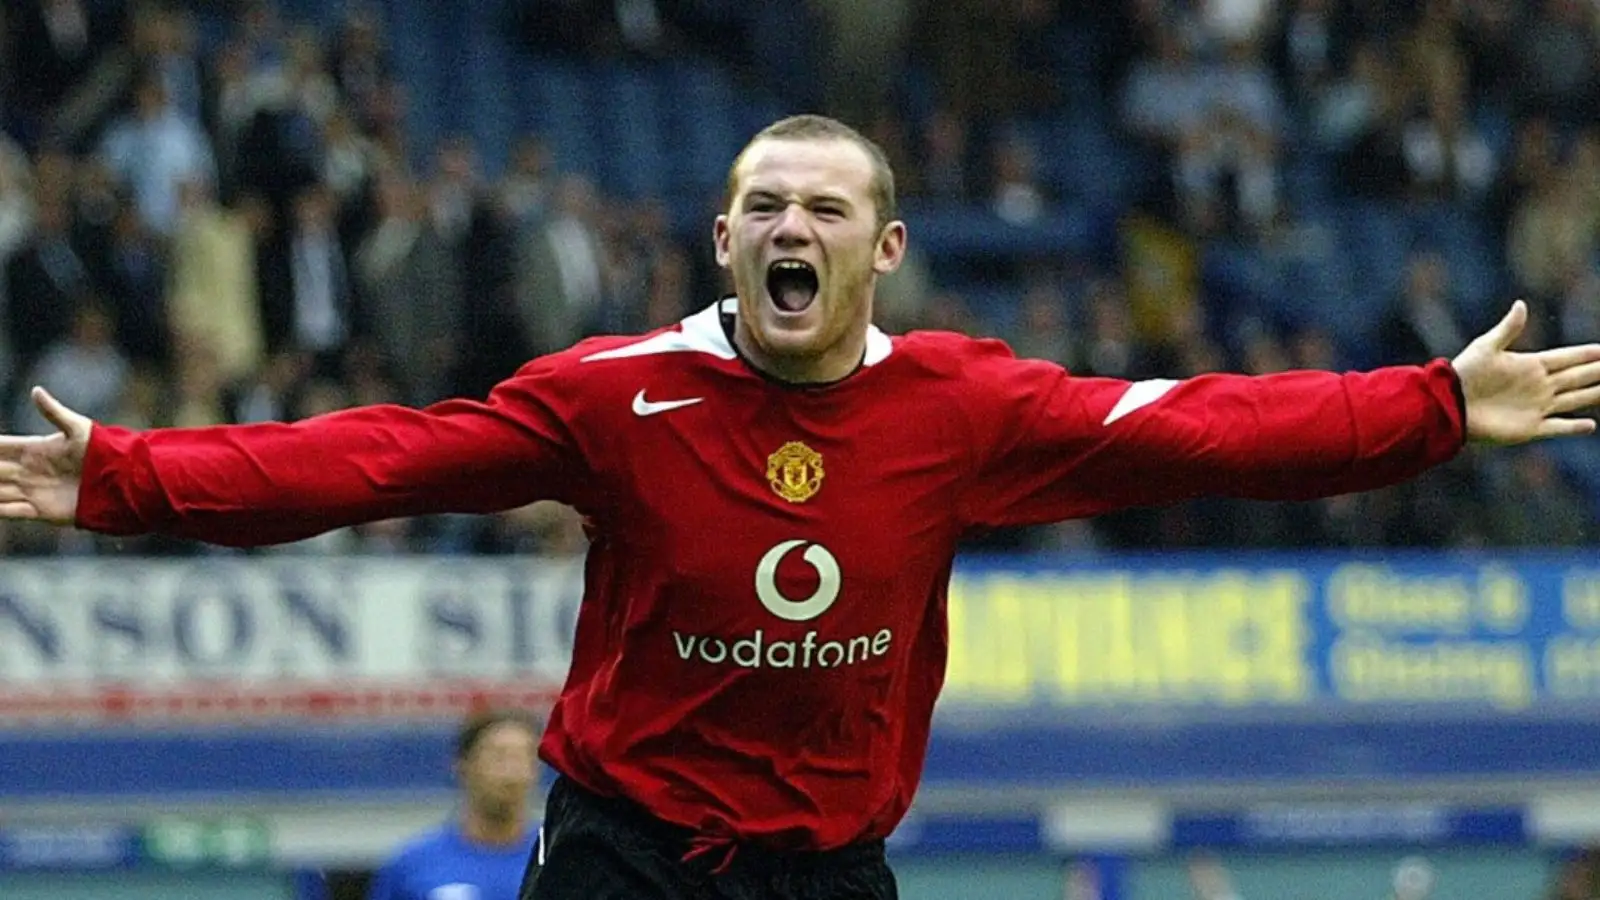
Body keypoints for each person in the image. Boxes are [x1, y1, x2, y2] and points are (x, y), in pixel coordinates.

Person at [3, 115, 1600, 900]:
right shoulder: (614, 395)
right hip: (626, 856)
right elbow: (377, 458)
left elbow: (1210, 429)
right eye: (764, 203)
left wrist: (1440, 407)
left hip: (831, 871)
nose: (793, 223)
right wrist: (127, 478)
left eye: (825, 207)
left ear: (881, 251)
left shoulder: (964, 405)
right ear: (721, 238)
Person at [367, 710, 541, 900]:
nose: (512, 773)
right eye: (499, 756)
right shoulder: (414, 865)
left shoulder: (560, 857)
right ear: (463, 766)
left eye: (524, 757)